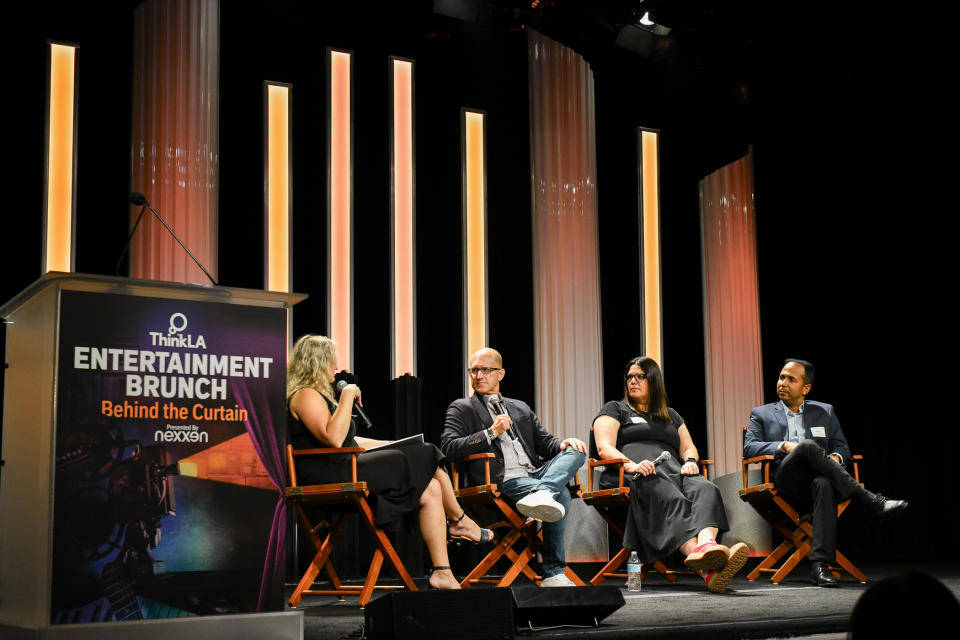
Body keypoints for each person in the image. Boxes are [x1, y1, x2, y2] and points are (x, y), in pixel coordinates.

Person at [286, 334, 491, 591]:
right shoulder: (305, 395)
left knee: (430, 488)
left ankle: (442, 572)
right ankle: (460, 519)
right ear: (316, 362)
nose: (335, 368)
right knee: (428, 452)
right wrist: (348, 394)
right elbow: (335, 440)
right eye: (331, 362)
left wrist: (397, 444)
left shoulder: (318, 397)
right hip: (329, 474)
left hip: (345, 466)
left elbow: (351, 440)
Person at [744, 358, 908, 587]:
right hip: (786, 479)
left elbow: (842, 447)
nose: (783, 382)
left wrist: (836, 458)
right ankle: (872, 501)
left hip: (819, 480)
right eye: (782, 377)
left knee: (824, 483)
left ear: (805, 388)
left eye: (791, 379)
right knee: (808, 446)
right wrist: (784, 446)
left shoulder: (824, 411)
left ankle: (820, 565)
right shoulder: (761, 413)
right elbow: (749, 447)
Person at [593, 356, 749, 593]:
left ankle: (707, 546)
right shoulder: (616, 409)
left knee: (706, 488)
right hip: (632, 474)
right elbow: (605, 448)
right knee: (666, 493)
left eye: (639, 376)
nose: (632, 381)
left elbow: (688, 447)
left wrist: (689, 461)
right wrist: (632, 465)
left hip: (674, 471)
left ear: (653, 381)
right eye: (629, 377)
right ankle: (701, 559)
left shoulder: (671, 414)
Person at [441, 347, 588, 587]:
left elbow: (546, 443)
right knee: (560, 494)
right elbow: (449, 447)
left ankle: (543, 491)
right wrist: (491, 433)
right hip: (502, 479)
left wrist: (564, 443)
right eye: (474, 370)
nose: (478, 376)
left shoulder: (519, 407)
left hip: (534, 472)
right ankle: (553, 574)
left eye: (486, 370)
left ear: (501, 374)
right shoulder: (462, 408)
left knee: (576, 450)